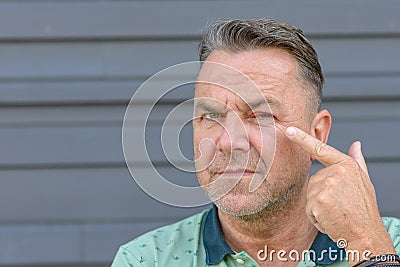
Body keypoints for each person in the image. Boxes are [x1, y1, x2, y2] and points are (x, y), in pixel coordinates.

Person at [112, 18, 400, 267]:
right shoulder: (146, 258)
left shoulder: (390, 244)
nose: (228, 141)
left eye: (261, 115)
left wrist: (366, 244)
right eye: (211, 115)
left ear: (317, 133)